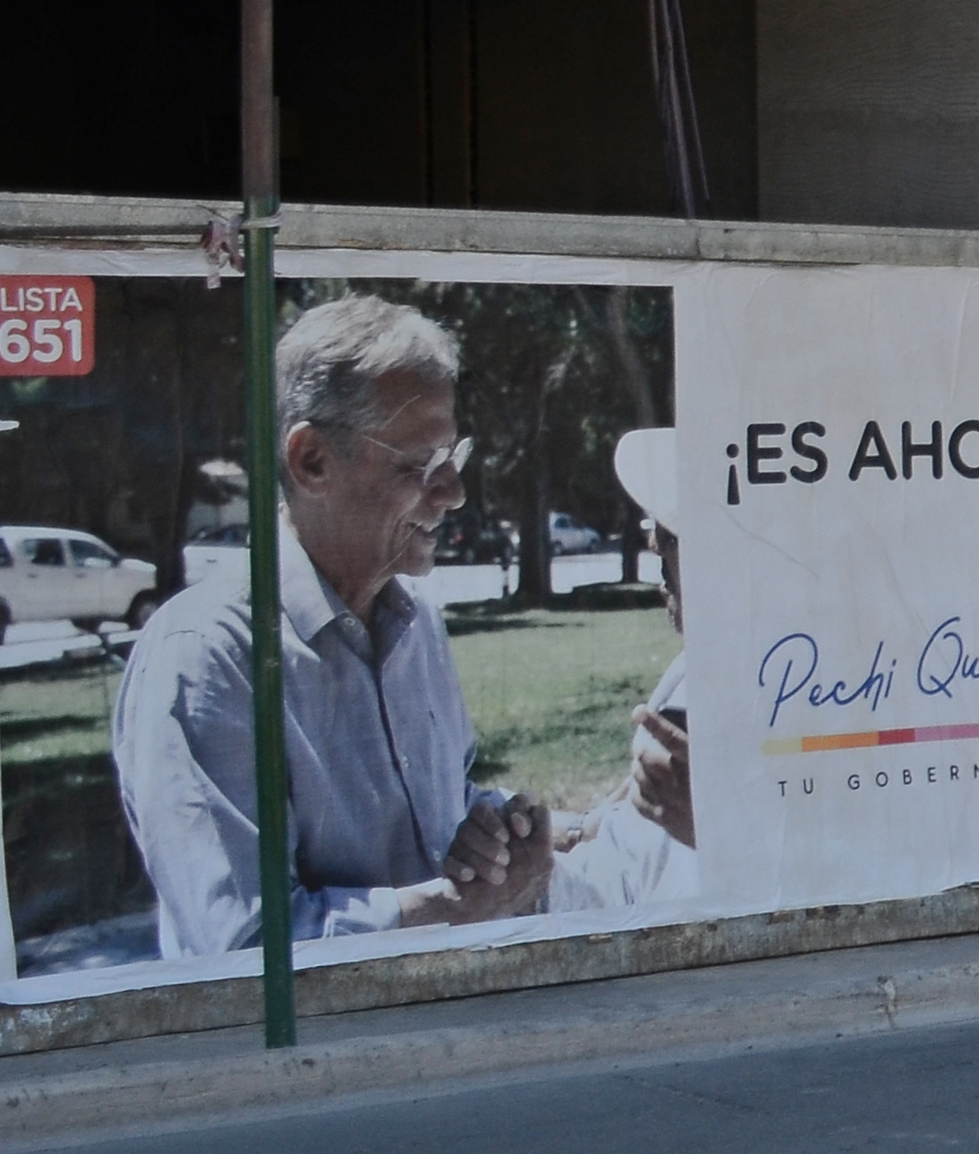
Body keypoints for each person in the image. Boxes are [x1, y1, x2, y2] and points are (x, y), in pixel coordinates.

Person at [113, 294, 553, 959]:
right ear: (312, 461)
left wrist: (498, 832)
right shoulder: (207, 658)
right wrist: (455, 911)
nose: (454, 492)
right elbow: (243, 947)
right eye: (421, 465)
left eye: (453, 457)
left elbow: (441, 801)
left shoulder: (414, 619)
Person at [546, 426, 699, 915]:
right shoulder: (689, 675)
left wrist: (733, 833)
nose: (653, 542)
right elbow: (624, 863)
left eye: (671, 529)